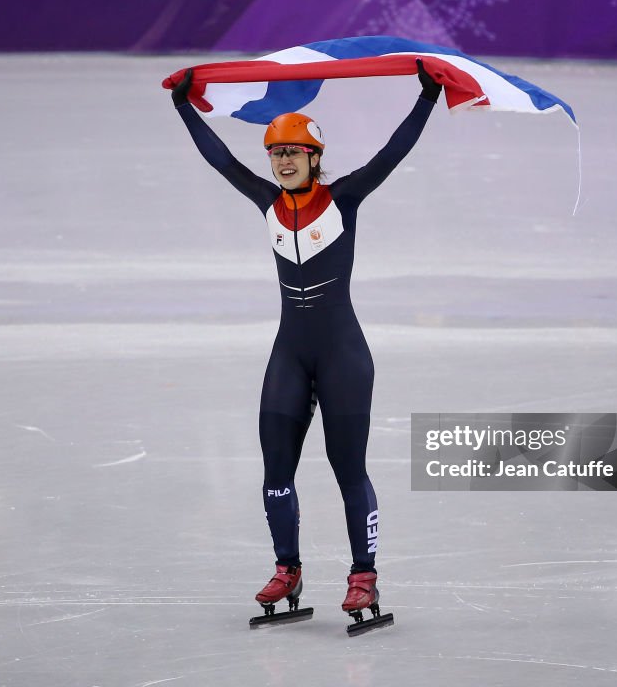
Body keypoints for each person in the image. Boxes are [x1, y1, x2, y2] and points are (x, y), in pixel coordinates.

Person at [170, 61, 441, 623]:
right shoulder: (267, 202)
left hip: (342, 354)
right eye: (276, 152)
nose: (284, 159)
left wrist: (428, 96)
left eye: (294, 151)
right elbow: (221, 160)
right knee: (275, 472)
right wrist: (182, 106)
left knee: (349, 471)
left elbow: (392, 153)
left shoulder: (343, 200)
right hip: (290, 353)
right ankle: (287, 569)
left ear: (315, 158)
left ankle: (363, 576)